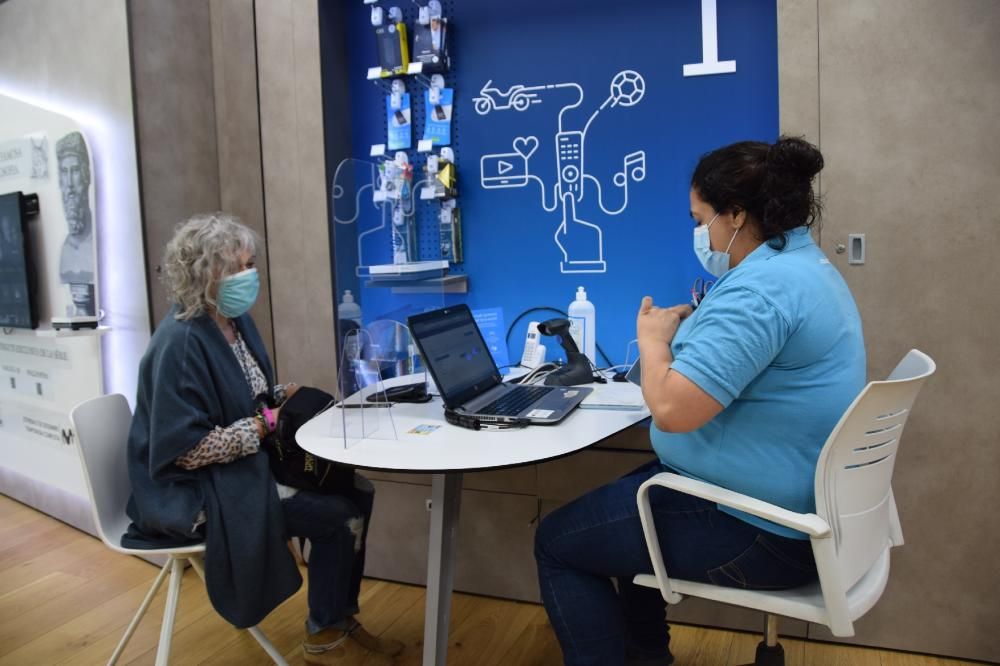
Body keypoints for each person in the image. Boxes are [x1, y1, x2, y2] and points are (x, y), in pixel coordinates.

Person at [534, 137, 865, 666]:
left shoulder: (760, 292)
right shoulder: (802, 266)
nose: (699, 233)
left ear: (735, 214)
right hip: (788, 502)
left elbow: (671, 411)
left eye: (700, 218)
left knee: (558, 542)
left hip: (763, 530)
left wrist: (652, 340)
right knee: (611, 511)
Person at [124, 212, 403, 665]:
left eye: (250, 263)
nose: (249, 276)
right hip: (195, 489)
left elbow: (242, 394)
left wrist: (282, 398)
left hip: (242, 463)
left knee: (359, 490)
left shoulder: (233, 322)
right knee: (337, 516)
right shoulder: (179, 344)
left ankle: (339, 617)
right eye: (237, 268)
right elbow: (188, 450)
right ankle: (323, 636)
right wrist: (267, 423)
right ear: (205, 274)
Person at [55, 131, 95, 316]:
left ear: (86, 176)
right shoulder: (65, 250)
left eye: (75, 171)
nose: (70, 184)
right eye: (64, 172)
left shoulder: (98, 242)